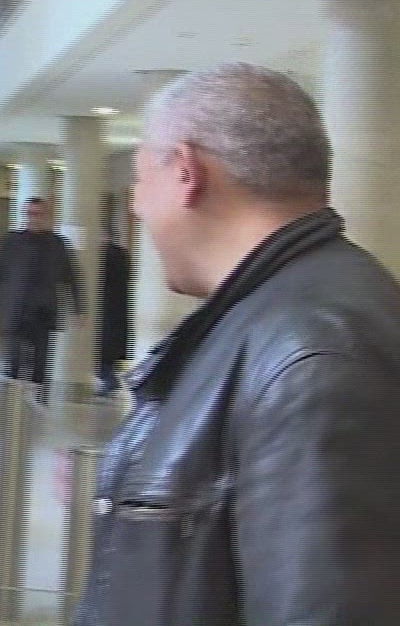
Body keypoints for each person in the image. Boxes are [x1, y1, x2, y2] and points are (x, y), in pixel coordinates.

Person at [80, 63, 400, 624]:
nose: (136, 204)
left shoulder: (313, 349)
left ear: (187, 171)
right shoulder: (265, 317)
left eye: (140, 177)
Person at [0, 195, 83, 401]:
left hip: (44, 311)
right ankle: (13, 402)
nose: (34, 218)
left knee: (41, 362)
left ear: (46, 216)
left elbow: (72, 277)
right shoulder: (11, 242)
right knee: (14, 360)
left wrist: (79, 308)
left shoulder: (58, 244)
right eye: (30, 214)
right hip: (16, 309)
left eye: (38, 214)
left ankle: (38, 399)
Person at [95, 195, 133, 395]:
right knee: (107, 353)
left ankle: (111, 382)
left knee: (102, 353)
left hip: (107, 310)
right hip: (118, 309)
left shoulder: (106, 256)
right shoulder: (123, 255)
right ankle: (110, 380)